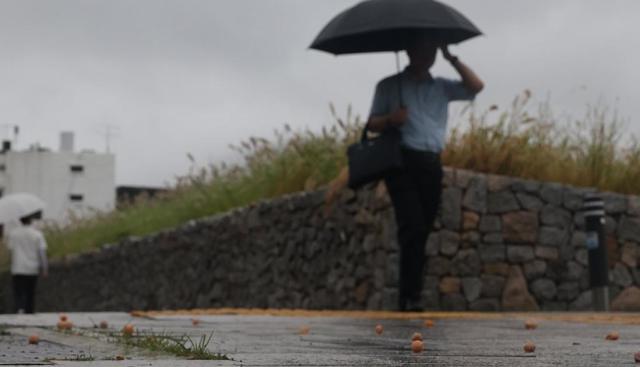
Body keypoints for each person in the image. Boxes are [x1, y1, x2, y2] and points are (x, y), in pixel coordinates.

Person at [367, 35, 484, 311]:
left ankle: (412, 293)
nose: (427, 53)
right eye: (421, 47)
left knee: (423, 230)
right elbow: (371, 123)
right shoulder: (389, 85)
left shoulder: (442, 87)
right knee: (413, 227)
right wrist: (390, 120)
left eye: (431, 48)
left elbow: (476, 86)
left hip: (431, 163)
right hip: (401, 162)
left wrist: (451, 58)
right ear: (408, 50)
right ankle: (410, 297)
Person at [6, 211, 48, 314]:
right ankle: (29, 311)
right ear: (31, 220)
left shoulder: (13, 234)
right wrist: (45, 268)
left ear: (20, 220)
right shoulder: (37, 234)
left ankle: (19, 308)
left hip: (18, 268)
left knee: (18, 291)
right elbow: (42, 253)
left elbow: (10, 251)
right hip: (32, 268)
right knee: (30, 292)